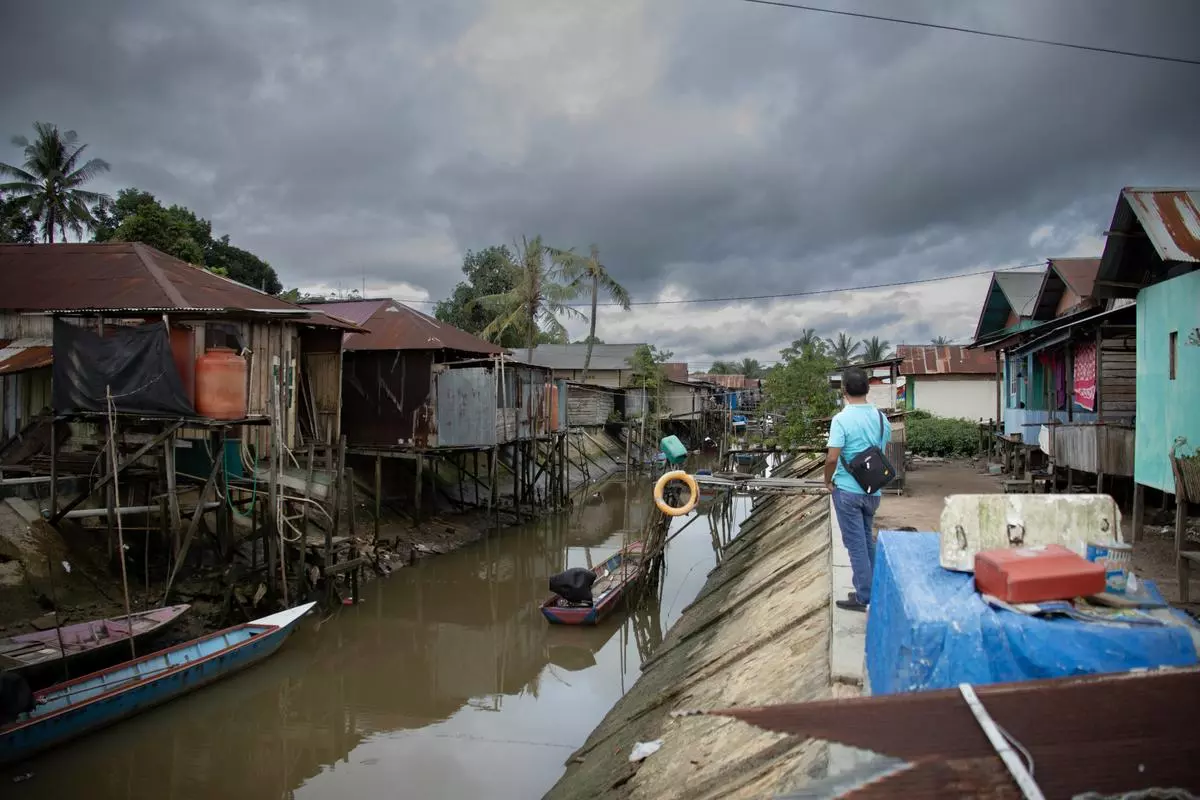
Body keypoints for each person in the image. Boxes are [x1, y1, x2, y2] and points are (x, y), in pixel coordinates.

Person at [824, 367, 892, 613]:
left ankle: (864, 597)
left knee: (855, 545)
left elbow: (832, 458)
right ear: (868, 389)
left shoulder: (841, 420)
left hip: (848, 492)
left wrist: (827, 481)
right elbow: (881, 449)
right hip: (872, 491)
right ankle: (873, 589)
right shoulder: (882, 419)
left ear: (843, 391)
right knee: (866, 540)